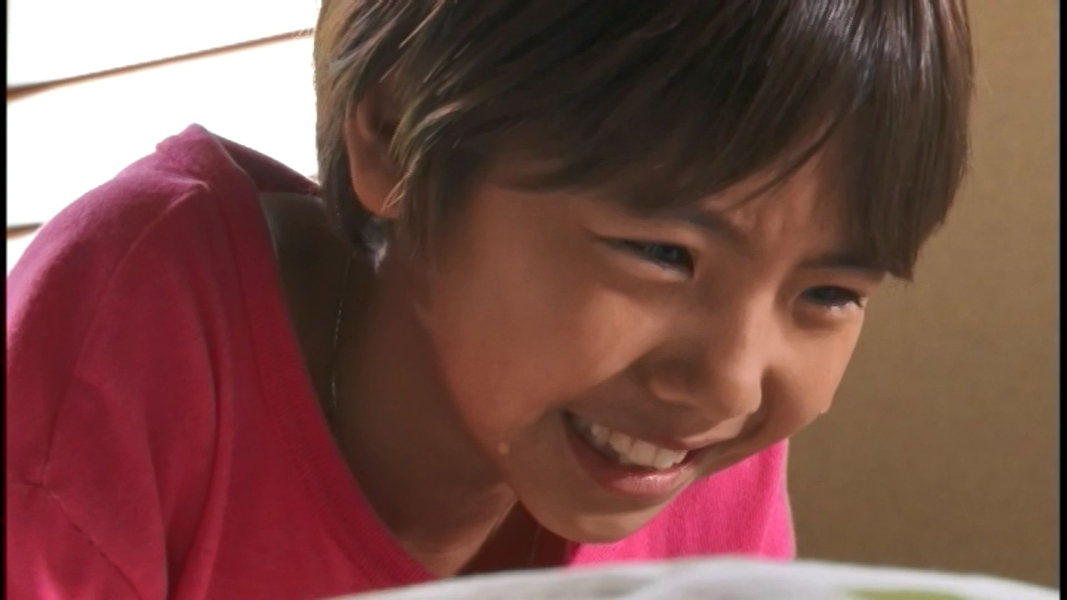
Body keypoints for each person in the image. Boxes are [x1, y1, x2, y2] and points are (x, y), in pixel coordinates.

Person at [6, 1, 974, 598]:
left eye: (827, 294)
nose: (728, 384)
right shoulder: (139, 325)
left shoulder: (690, 438)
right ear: (395, 136)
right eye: (661, 254)